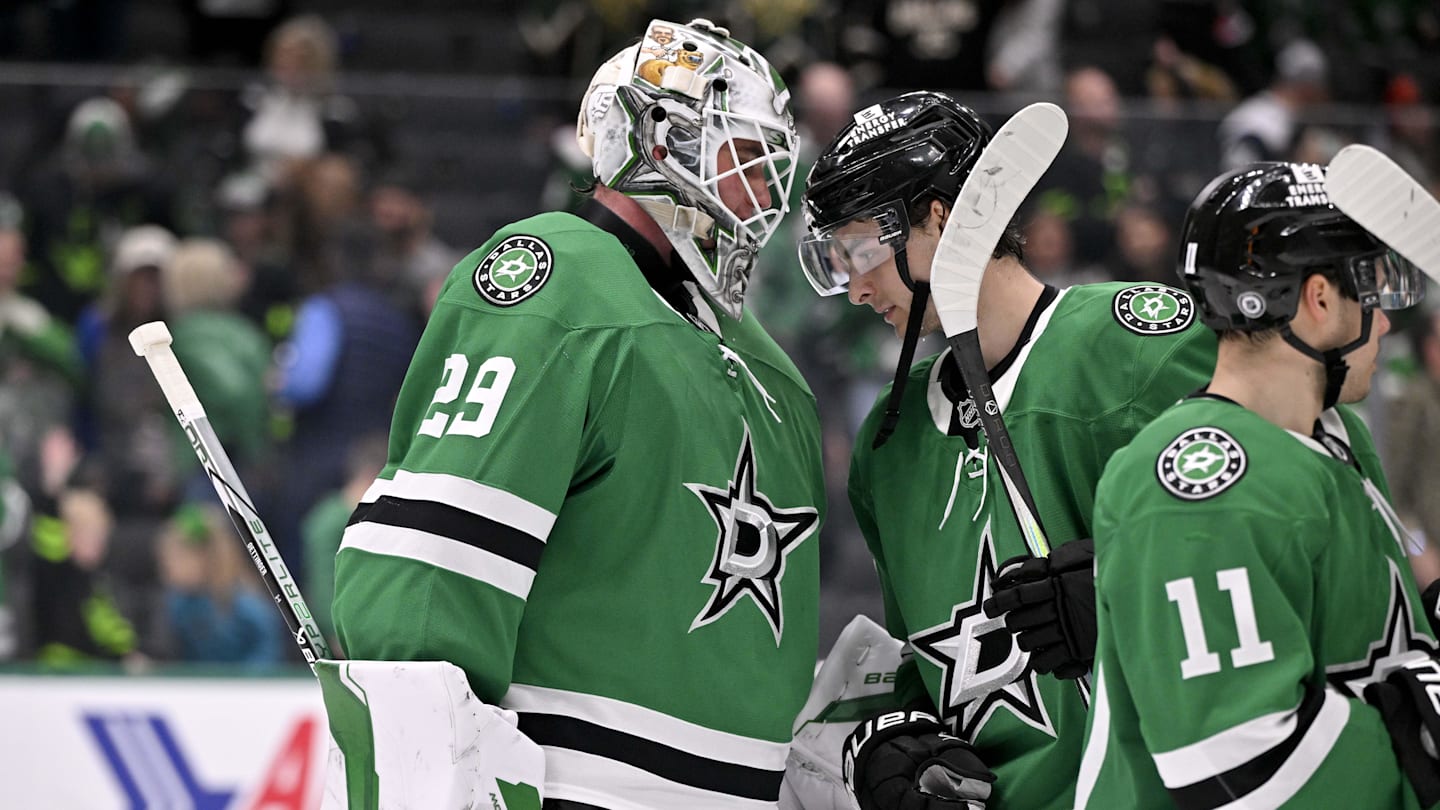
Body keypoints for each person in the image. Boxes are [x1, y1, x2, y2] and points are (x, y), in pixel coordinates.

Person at [328, 18, 825, 808]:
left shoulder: (769, 369)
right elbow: (432, 574)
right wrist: (416, 763)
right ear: (657, 142)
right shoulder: (556, 283)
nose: (760, 196)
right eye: (739, 160)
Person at [796, 91, 1217, 809]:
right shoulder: (887, 444)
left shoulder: (1138, 350)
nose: (857, 289)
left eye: (863, 251)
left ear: (942, 215)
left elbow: (1280, 532)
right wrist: (886, 745)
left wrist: (1128, 593)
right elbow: (919, 667)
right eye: (837, 259)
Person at [1076, 162, 1435, 808]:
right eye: (1373, 295)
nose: (1383, 324)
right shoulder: (1197, 485)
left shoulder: (1333, 436)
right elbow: (1238, 763)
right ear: (1319, 299)